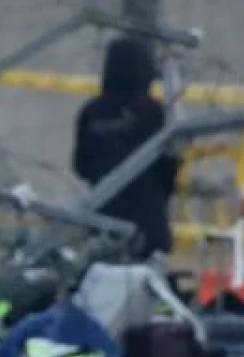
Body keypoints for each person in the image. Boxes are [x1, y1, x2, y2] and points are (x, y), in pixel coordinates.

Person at [74, 36, 177, 258]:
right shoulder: (155, 113)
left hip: (104, 219)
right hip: (148, 221)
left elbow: (80, 166)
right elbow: (169, 168)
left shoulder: (91, 112)